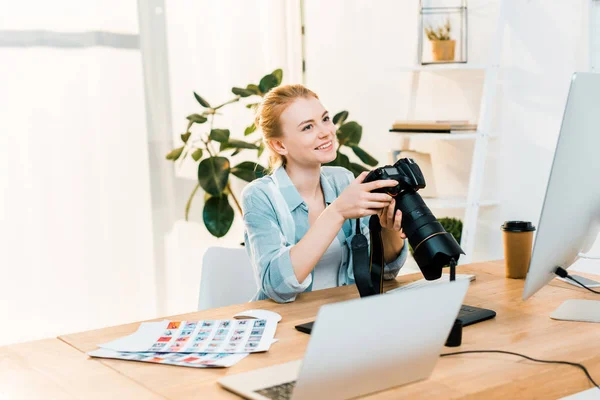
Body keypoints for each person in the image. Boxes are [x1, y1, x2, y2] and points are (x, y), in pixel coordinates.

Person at [241, 84, 408, 303]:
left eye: (325, 119)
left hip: (344, 316)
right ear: (279, 145)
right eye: (307, 127)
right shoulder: (259, 196)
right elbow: (277, 287)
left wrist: (386, 229)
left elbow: (385, 272)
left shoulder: (343, 180)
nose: (325, 132)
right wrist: (336, 212)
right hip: (287, 324)